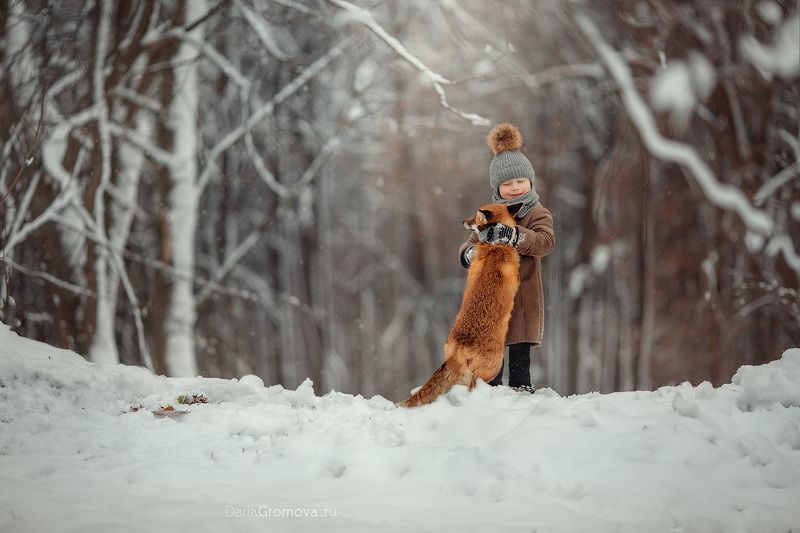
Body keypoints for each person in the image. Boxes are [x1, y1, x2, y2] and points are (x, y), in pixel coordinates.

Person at [458, 122, 556, 393]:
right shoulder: (488, 213)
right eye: (507, 183)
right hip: (492, 297)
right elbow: (469, 242)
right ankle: (490, 393)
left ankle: (521, 390)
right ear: (496, 188)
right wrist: (471, 254)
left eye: (520, 181)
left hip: (523, 295)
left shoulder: (538, 213)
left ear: (531, 181)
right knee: (492, 347)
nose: (515, 188)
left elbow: (545, 242)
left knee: (519, 351)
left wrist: (514, 236)